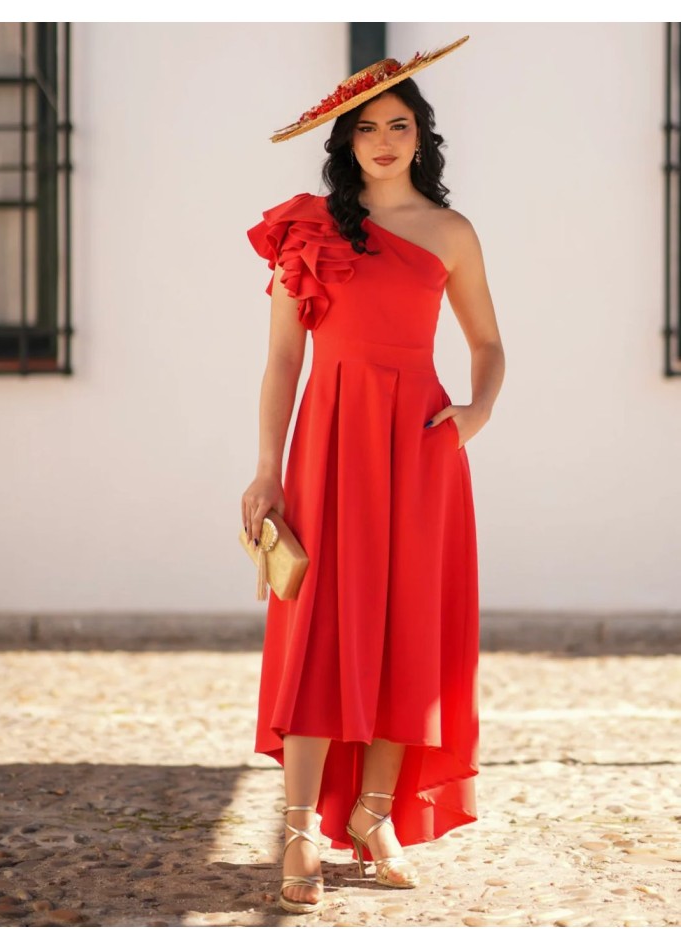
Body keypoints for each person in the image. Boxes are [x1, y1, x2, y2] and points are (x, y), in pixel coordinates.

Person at [241, 35, 505, 915]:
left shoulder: (451, 232)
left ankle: (375, 813)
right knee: (320, 626)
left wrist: (475, 412)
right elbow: (283, 362)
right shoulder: (307, 230)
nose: (385, 140)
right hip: (327, 447)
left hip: (421, 450)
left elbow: (488, 346)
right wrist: (265, 472)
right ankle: (298, 829)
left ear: (422, 135)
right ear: (345, 142)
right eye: (367, 128)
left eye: (401, 124)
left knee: (407, 626)